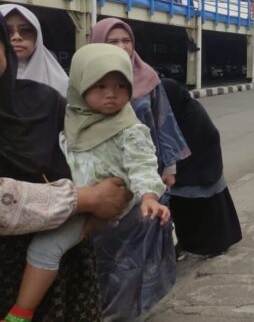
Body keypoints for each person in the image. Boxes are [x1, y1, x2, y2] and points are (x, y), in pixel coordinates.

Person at [7, 44, 170, 322]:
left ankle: (20, 313)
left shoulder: (129, 129)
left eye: (121, 85)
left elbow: (142, 164)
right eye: (100, 85)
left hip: (89, 204)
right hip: (68, 199)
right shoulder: (69, 116)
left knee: (45, 248)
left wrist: (149, 196)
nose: (111, 93)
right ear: (80, 85)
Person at [0, 15, 131, 322]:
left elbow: (108, 160)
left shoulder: (46, 102)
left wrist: (108, 206)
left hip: (60, 265)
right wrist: (85, 199)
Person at [89, 18, 188, 320]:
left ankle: (131, 309)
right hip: (103, 181)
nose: (121, 47)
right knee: (107, 255)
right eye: (112, 42)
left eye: (126, 41)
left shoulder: (148, 80)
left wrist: (168, 168)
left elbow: (163, 121)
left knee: (139, 253)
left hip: (147, 177)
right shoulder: (85, 81)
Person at [161, 79, 243, 257]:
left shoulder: (183, 111)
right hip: (200, 157)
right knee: (204, 206)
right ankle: (200, 244)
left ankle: (196, 246)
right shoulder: (183, 108)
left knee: (189, 202)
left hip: (196, 158)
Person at [0, 5, 68, 96]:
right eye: (6, 32)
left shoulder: (60, 85)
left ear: (38, 37)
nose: (16, 37)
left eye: (25, 31)